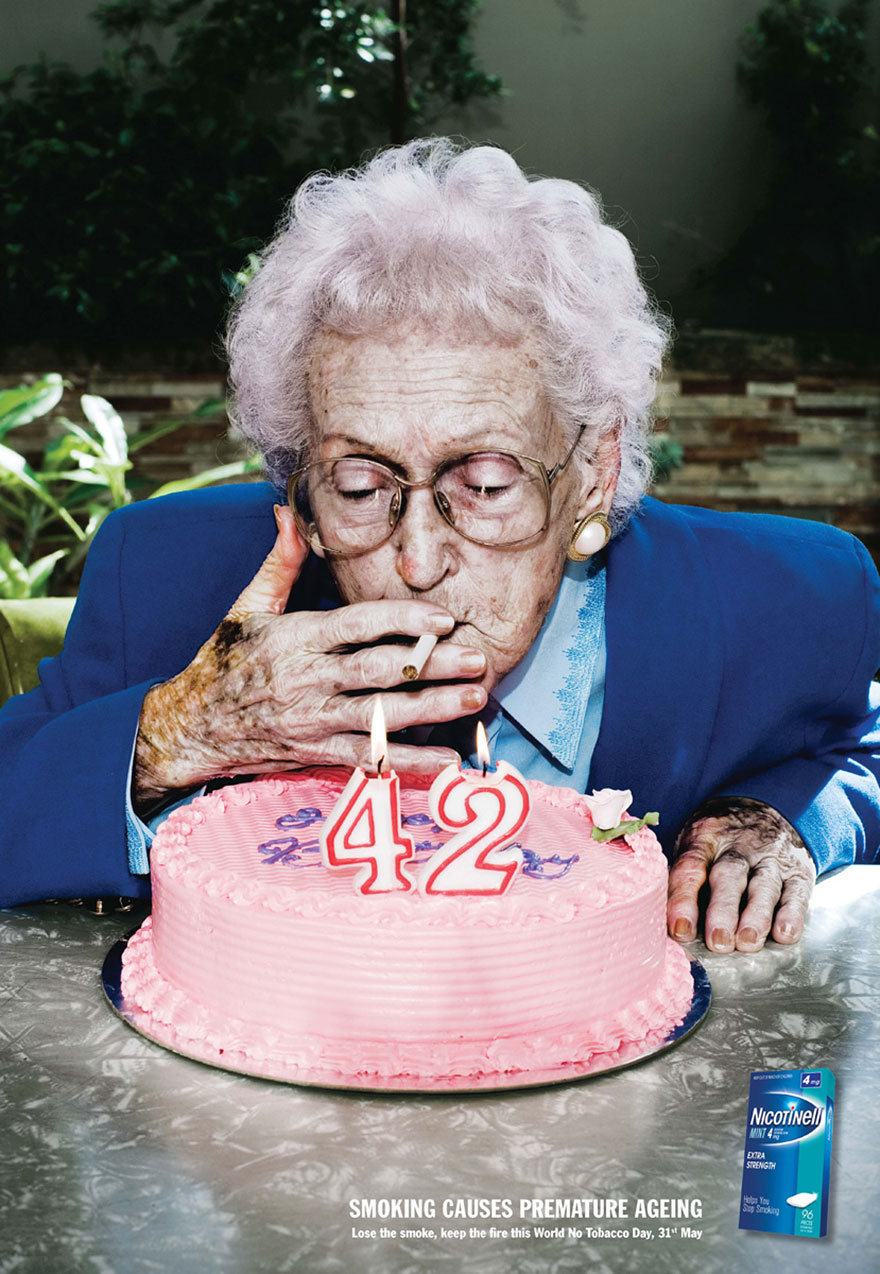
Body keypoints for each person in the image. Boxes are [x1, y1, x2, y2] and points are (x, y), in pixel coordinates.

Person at [1, 139, 878, 954]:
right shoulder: (159, 580)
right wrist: (179, 732)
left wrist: (782, 816)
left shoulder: (790, 597)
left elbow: (855, 751)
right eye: (358, 487)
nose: (418, 561)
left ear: (595, 471)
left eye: (487, 484)